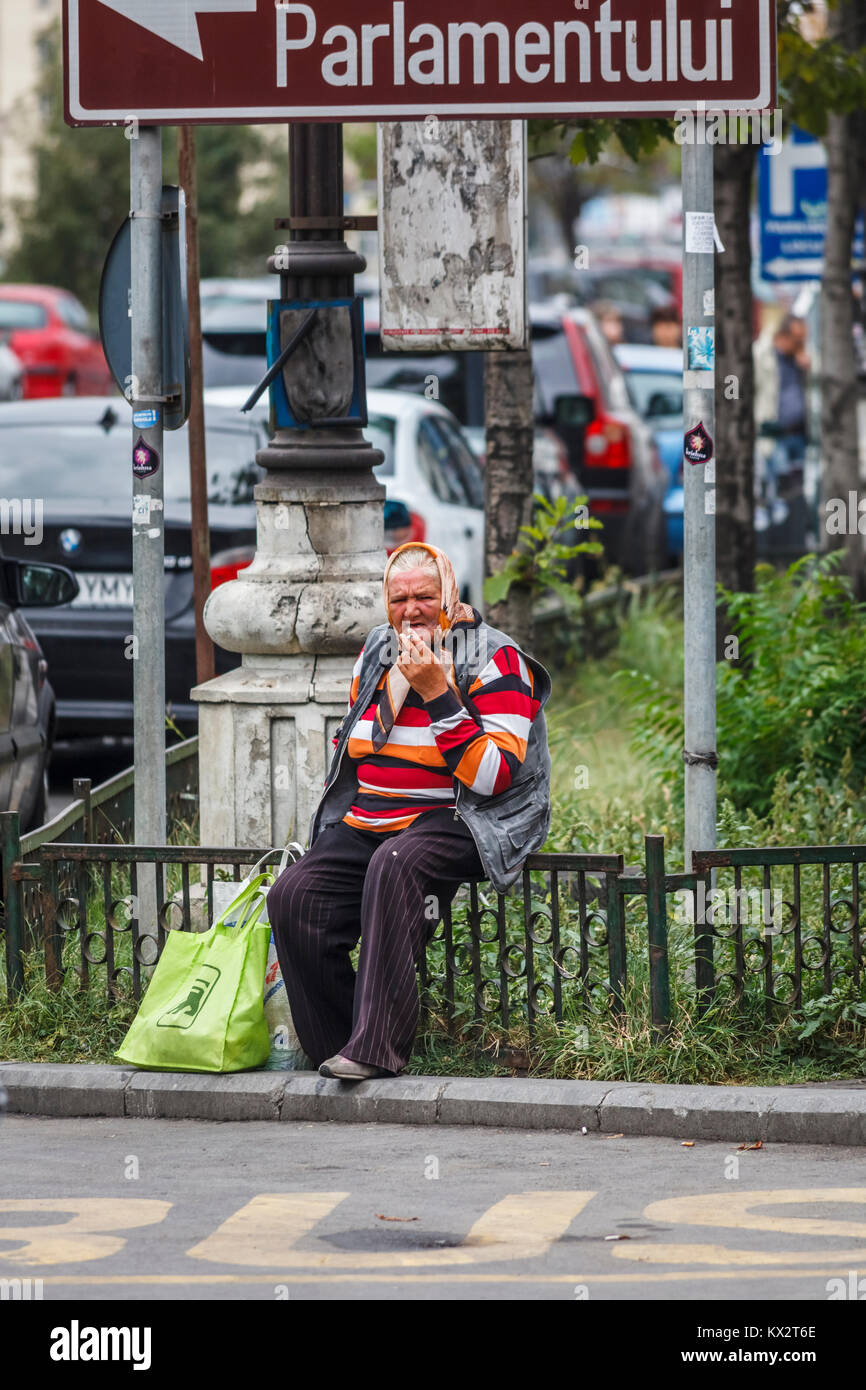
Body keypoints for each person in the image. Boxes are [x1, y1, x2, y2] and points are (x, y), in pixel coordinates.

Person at [266, 542, 552, 1080]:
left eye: (425, 595)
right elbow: (357, 747)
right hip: (371, 819)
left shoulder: (495, 657)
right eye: (399, 599)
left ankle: (378, 1049)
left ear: (451, 595)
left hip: (465, 819)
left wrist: (438, 693)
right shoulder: (378, 649)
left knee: (395, 862)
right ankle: (338, 1044)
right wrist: (398, 690)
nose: (411, 610)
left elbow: (493, 778)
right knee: (293, 896)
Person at [753, 313, 810, 507]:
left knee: (799, 495)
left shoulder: (802, 359)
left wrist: (808, 367)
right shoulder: (763, 355)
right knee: (777, 493)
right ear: (783, 337)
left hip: (800, 434)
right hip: (775, 434)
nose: (801, 344)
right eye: (797, 340)